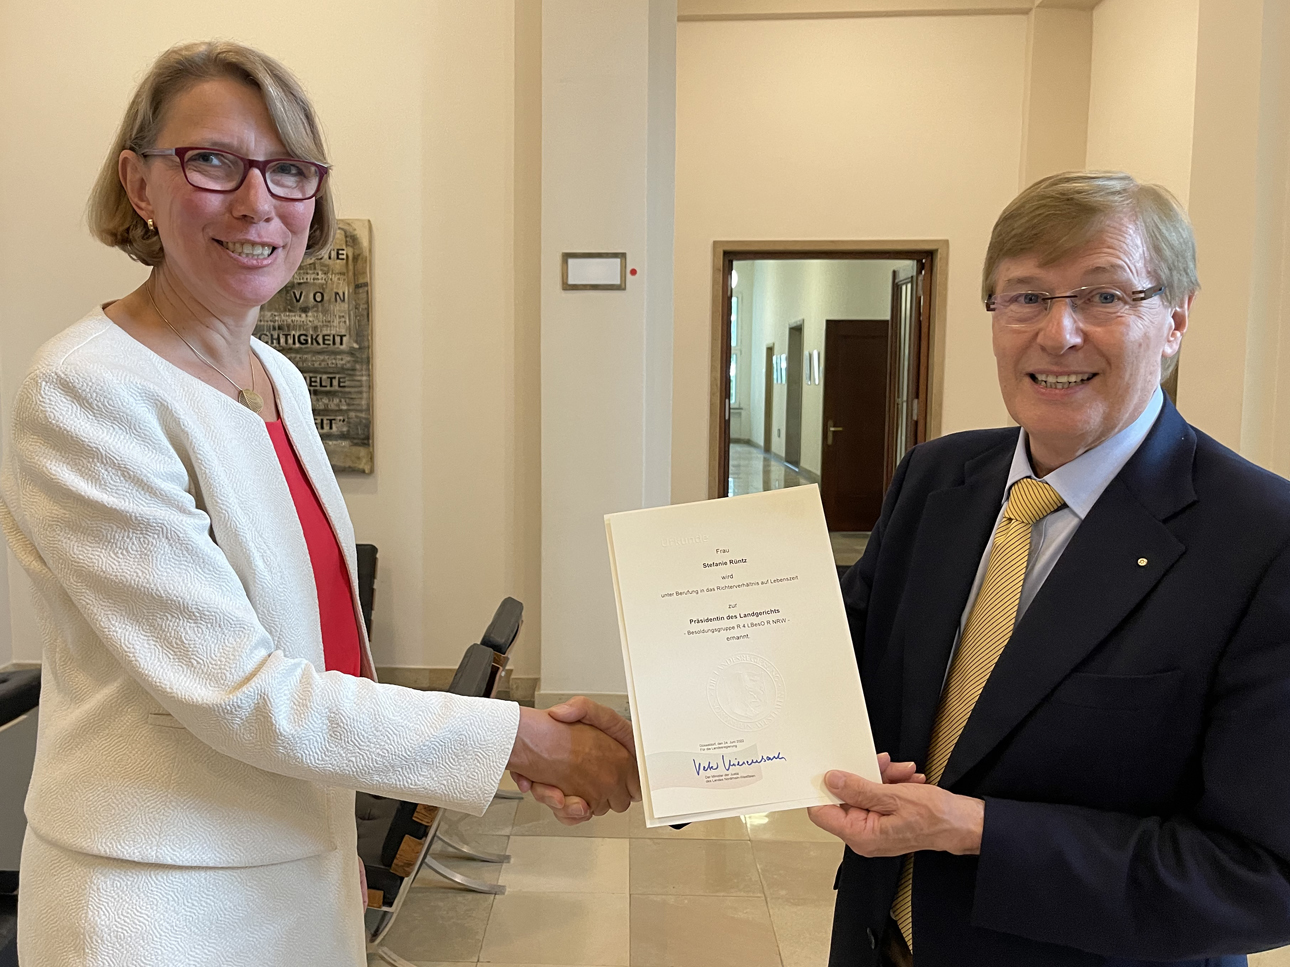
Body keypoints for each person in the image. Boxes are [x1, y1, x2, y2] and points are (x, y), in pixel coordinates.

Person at [0, 41, 636, 966]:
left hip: (301, 855)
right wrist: (521, 740)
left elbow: (318, 644)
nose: (257, 201)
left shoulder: (276, 376)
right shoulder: (87, 390)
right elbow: (240, 690)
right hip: (161, 894)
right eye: (213, 161)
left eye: (289, 169)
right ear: (139, 183)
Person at [807, 171, 1290, 966]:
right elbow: (842, 667)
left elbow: (1262, 876)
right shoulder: (934, 479)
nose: (1058, 334)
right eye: (1026, 297)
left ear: (1175, 318)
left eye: (1104, 297)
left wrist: (976, 829)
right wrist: (676, 738)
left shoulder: (1263, 541)